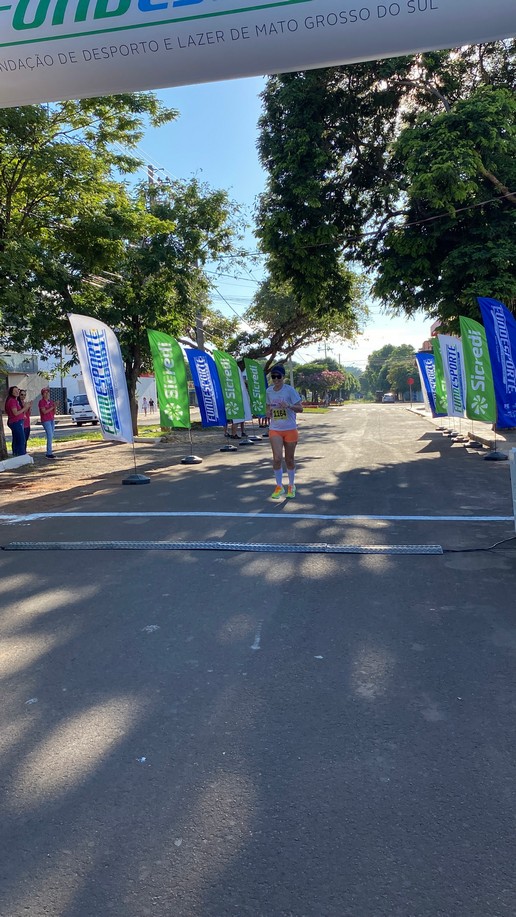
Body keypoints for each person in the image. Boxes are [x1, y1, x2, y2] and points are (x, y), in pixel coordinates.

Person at [266, 364, 303, 499]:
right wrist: (268, 412)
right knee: (276, 458)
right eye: (273, 376)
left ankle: (291, 485)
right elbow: (268, 405)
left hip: (290, 429)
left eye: (278, 376)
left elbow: (300, 408)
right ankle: (279, 486)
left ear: (283, 377)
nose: (276, 379)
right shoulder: (269, 391)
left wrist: (288, 406)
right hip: (275, 428)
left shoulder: (289, 391)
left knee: (289, 459)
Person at [4, 385, 31, 456]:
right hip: (16, 422)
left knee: (17, 439)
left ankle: (16, 454)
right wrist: (25, 408)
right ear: (11, 392)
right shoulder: (12, 401)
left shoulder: (13, 400)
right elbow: (15, 413)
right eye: (15, 391)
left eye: (18, 390)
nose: (17, 392)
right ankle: (22, 455)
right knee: (22, 440)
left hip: (17, 421)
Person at [38, 387, 56, 458]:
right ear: (42, 394)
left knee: (51, 436)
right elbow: (44, 411)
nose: (47, 394)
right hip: (46, 420)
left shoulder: (50, 401)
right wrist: (52, 407)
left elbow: (54, 412)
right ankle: (49, 453)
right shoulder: (41, 402)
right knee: (49, 435)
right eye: (45, 392)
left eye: (48, 392)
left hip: (52, 419)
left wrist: (55, 407)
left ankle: (50, 451)